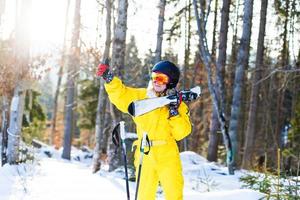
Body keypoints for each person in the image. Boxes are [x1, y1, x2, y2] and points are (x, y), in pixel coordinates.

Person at [96, 60, 192, 200]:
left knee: (174, 193)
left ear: (171, 82)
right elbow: (121, 95)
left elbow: (181, 133)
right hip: (144, 152)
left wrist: (174, 113)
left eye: (162, 78)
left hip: (167, 153)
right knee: (144, 195)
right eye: (154, 77)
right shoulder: (141, 97)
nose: (156, 81)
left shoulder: (179, 106)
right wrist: (110, 80)